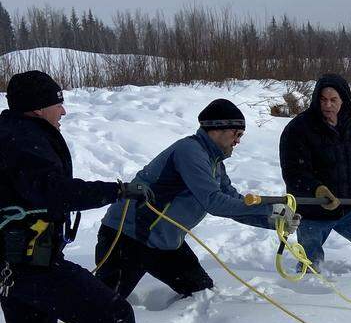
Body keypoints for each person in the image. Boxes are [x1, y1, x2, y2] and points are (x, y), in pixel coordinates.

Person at [0, 70, 146, 323]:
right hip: (31, 264)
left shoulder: (12, 131)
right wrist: (116, 191)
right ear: (38, 107)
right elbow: (53, 190)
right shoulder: (25, 139)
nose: (63, 110)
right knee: (115, 316)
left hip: (16, 264)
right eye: (58, 103)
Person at [95, 99, 300, 301]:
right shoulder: (189, 152)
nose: (238, 140)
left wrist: (273, 220)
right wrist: (268, 210)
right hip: (127, 238)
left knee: (201, 291)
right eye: (236, 134)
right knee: (100, 307)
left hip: (164, 243)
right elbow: (214, 202)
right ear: (217, 129)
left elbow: (234, 202)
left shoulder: (214, 163)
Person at [279, 73, 351, 281]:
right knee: (310, 264)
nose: (328, 105)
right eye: (323, 99)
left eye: (333, 100)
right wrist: (317, 190)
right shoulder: (299, 129)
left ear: (343, 100)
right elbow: (294, 172)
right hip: (312, 211)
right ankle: (304, 299)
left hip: (348, 206)